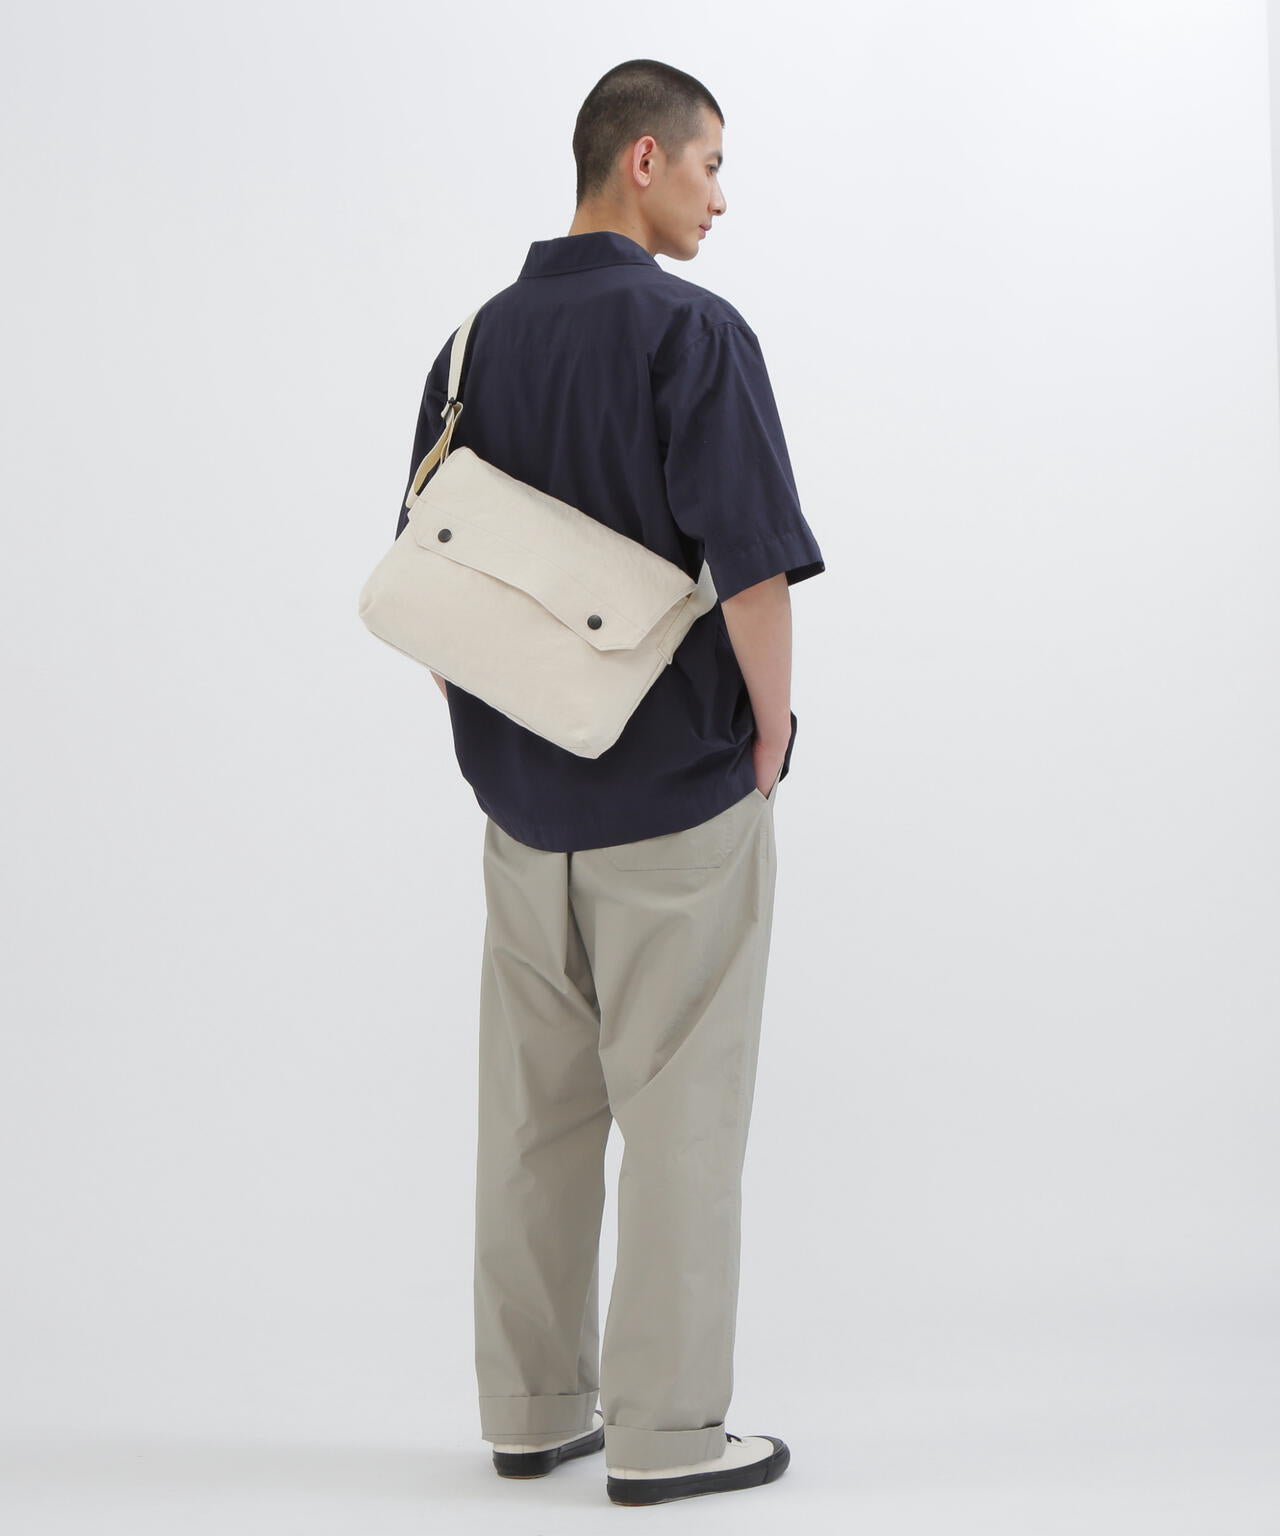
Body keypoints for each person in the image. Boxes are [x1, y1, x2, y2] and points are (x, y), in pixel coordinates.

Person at [395, 58, 825, 1506]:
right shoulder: (693, 332)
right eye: (711, 164)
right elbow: (752, 574)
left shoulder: (470, 345)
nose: (721, 196)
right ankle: (667, 1435)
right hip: (676, 800)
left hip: (523, 811)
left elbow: (434, 583)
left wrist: (505, 739)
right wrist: (770, 732)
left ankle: (530, 1410)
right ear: (643, 160)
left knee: (534, 1121)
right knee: (681, 1120)